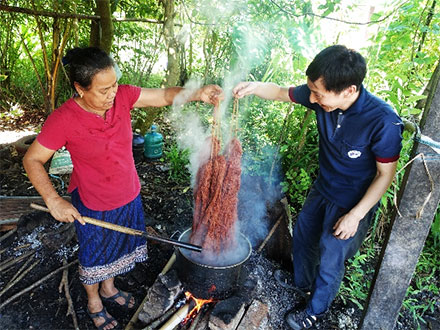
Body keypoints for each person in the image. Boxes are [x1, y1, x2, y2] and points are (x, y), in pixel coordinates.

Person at [23, 46, 223, 330]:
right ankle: (94, 300)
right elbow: (32, 159)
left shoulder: (124, 96)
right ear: (80, 88)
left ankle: (109, 289)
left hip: (128, 193)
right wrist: (53, 200)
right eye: (103, 90)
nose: (112, 94)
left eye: (114, 84)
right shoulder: (64, 119)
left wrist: (198, 92)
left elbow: (164, 95)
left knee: (119, 246)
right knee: (95, 254)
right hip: (92, 201)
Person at [233, 45, 403, 329]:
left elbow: (385, 175)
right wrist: (251, 87)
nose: (311, 98)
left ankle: (316, 309)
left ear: (348, 90)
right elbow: (279, 92)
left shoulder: (382, 121)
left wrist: (356, 215)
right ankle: (300, 283)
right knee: (303, 237)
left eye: (318, 94)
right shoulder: (320, 96)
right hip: (322, 188)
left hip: (352, 201)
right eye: (311, 90)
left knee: (330, 256)